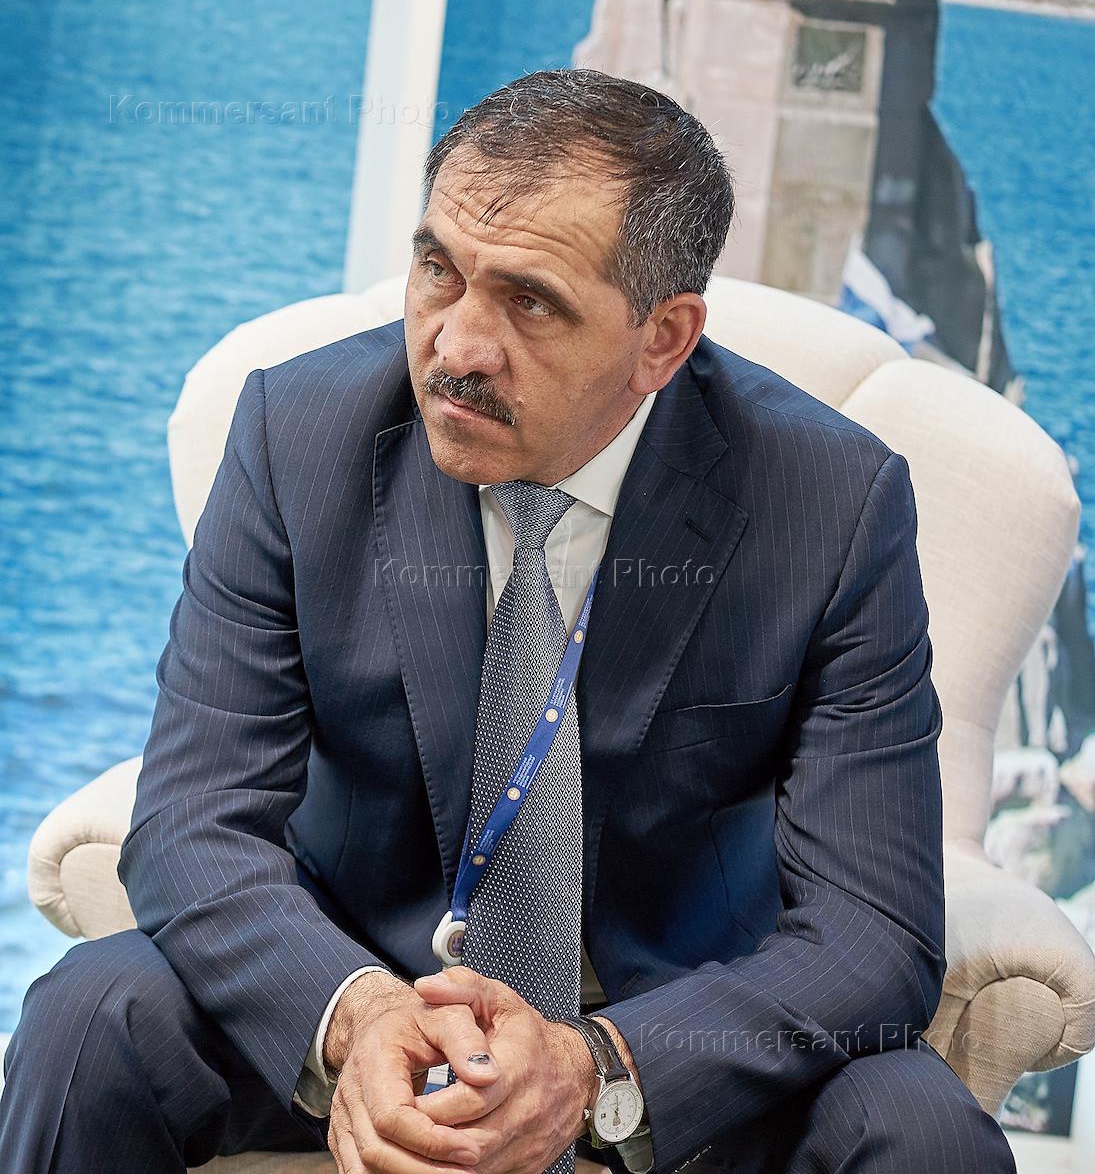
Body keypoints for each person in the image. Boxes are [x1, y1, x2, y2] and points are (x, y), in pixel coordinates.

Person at [0, 68, 1017, 1174]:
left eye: (530, 301)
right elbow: (194, 820)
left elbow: (873, 930)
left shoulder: (827, 503)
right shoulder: (298, 435)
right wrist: (362, 1018)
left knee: (920, 1129)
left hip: (671, 1040)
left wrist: (598, 1068)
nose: (457, 348)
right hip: (359, 984)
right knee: (92, 1015)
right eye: (439, 270)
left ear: (663, 339)